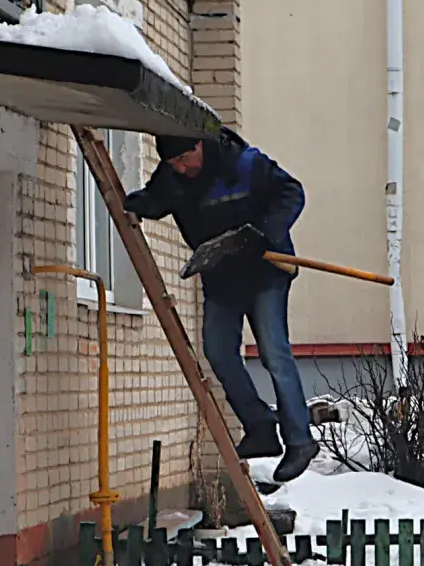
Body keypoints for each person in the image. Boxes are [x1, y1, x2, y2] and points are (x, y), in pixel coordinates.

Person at [122, 127, 320, 483]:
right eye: (173, 163)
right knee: (217, 350)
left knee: (274, 353)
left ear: (199, 144)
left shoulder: (243, 164)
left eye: (184, 159)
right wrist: (133, 203)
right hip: (222, 278)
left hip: (265, 272)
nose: (181, 168)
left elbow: (291, 192)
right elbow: (156, 199)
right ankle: (259, 427)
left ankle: (300, 440)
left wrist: (266, 233)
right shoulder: (173, 176)